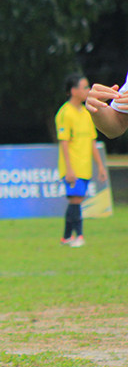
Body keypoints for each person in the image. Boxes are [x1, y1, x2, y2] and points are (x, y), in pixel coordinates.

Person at [56, 73, 107, 247]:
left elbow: (92, 142)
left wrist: (100, 166)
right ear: (73, 91)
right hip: (73, 167)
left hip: (85, 167)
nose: (88, 90)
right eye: (84, 87)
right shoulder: (64, 113)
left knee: (77, 199)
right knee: (76, 199)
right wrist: (69, 169)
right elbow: (64, 143)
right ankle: (79, 237)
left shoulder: (87, 113)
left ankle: (66, 237)